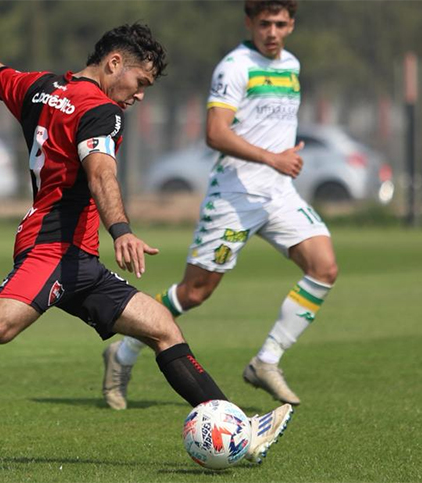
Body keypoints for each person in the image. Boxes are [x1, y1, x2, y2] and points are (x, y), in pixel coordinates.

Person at [0, 24, 293, 464]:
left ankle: (240, 429)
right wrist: (121, 230)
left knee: (162, 327)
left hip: (77, 257)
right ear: (114, 63)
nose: (140, 95)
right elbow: (101, 173)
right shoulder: (102, 112)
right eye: (140, 82)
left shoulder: (41, 87)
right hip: (54, 247)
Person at [103, 0, 338, 410]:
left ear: (291, 25)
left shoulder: (292, 66)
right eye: (264, 23)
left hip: (279, 194)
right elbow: (215, 132)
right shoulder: (235, 67)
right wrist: (273, 158)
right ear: (249, 23)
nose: (272, 32)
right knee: (194, 293)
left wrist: (279, 162)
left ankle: (266, 361)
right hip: (234, 196)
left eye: (280, 23)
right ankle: (123, 352)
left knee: (324, 268)